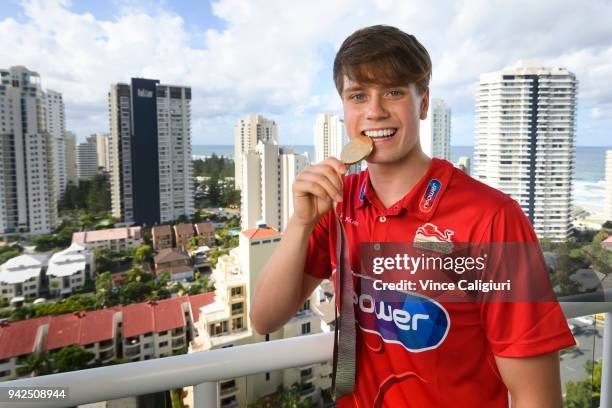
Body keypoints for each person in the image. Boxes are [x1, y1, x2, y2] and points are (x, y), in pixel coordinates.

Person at [250, 25, 575, 407]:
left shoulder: (491, 218)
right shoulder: (336, 203)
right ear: (345, 111)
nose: (375, 110)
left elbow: (535, 395)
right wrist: (301, 221)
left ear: (422, 104)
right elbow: (265, 320)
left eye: (394, 91)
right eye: (358, 95)